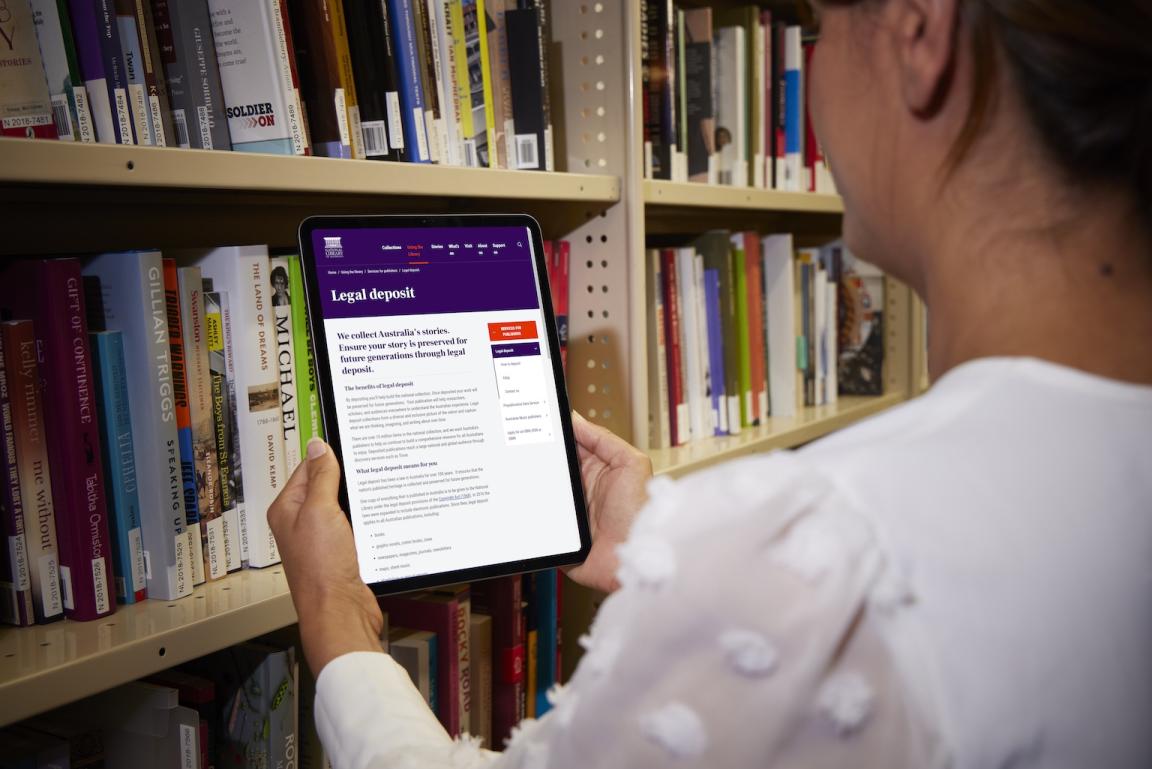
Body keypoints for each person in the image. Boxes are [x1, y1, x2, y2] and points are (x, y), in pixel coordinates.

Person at [269, 0, 1152, 765]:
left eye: (819, 29)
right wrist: (661, 552)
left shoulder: (833, 542)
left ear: (921, 37)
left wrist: (339, 613)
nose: (817, 65)